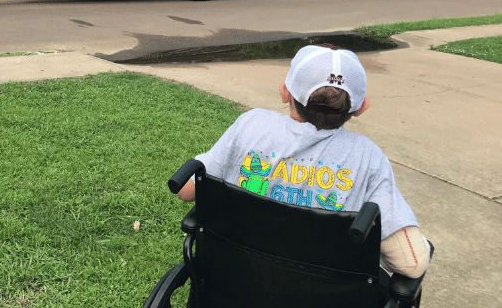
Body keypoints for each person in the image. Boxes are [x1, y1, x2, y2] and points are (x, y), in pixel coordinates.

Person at [177, 44, 431, 280]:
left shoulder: (251, 125)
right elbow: (412, 263)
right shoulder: (368, 158)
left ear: (285, 92)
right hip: (322, 294)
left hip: (237, 283)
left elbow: (187, 189)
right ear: (360, 107)